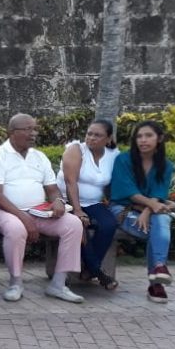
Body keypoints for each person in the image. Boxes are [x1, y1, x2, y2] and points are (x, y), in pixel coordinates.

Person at [0, 113, 84, 303]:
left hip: (39, 211)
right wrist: (24, 218)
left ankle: (58, 284)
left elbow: (52, 189)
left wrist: (58, 201)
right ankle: (15, 282)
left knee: (74, 224)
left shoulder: (40, 157)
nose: (34, 133)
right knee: (16, 229)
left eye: (35, 129)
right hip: (7, 212)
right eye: (28, 129)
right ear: (12, 132)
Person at [109, 120, 175, 303]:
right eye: (139, 136)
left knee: (160, 222)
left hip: (150, 213)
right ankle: (157, 280)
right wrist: (152, 206)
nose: (143, 140)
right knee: (160, 227)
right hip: (122, 209)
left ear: (160, 138)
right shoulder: (123, 160)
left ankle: (157, 270)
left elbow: (159, 193)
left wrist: (148, 211)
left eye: (148, 135)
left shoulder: (165, 165)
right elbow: (127, 191)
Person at [56, 119, 120, 289]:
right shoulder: (76, 150)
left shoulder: (113, 155)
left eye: (97, 135)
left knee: (109, 224)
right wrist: (77, 211)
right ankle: (98, 273)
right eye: (89, 133)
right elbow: (70, 182)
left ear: (108, 138)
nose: (91, 138)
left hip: (93, 202)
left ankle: (89, 270)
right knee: (79, 227)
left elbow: (114, 183)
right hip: (67, 201)